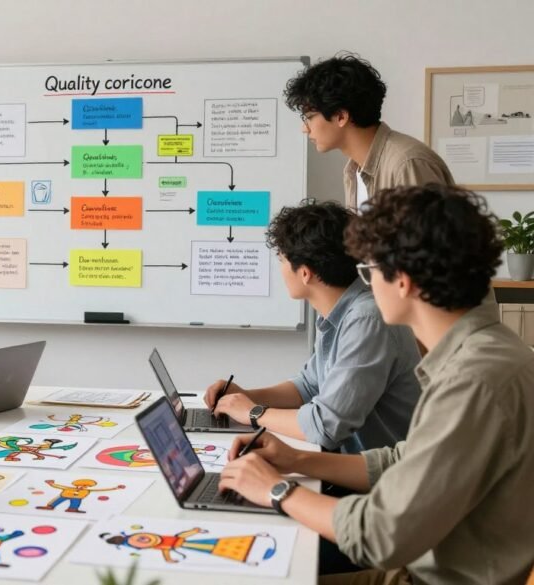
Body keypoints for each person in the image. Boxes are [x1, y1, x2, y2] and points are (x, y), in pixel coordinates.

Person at [220, 184, 534, 584]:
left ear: (402, 281)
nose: (366, 284)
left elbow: (380, 534)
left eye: (369, 271)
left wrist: (277, 491)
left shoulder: (474, 380)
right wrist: (297, 460)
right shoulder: (486, 352)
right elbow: (403, 460)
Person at [209, 201, 421, 454]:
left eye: (281, 259)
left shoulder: (366, 320)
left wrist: (252, 412)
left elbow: (327, 426)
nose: (280, 269)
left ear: (305, 273)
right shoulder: (340, 311)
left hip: (377, 474)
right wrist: (246, 396)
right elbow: (309, 386)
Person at [285, 53, 453, 209]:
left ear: (341, 116)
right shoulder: (352, 170)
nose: (304, 128)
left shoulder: (407, 164)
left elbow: (430, 231)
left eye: (310, 117)